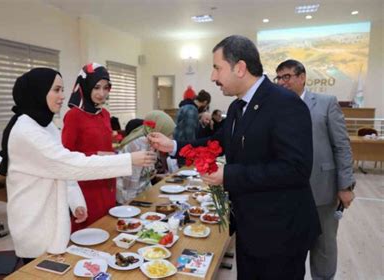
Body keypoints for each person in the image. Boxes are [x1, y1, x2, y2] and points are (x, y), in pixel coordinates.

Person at [149, 35, 321, 279]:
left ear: (240, 68)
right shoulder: (238, 106)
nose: (213, 77)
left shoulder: (284, 104)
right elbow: (218, 142)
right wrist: (174, 145)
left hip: (280, 231)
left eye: (217, 68)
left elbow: (296, 168)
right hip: (250, 226)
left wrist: (228, 175)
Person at [0, 68, 156, 263]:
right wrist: (128, 159)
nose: (62, 96)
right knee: (39, 270)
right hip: (35, 221)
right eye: (56, 90)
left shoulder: (44, 125)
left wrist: (76, 202)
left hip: (51, 216)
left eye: (62, 90)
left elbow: (62, 167)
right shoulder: (26, 131)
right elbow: (70, 163)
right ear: (39, 91)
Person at [276, 59, 356, 280]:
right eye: (279, 78)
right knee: (291, 246)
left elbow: (341, 145)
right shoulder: (276, 107)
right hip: (288, 191)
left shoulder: (326, 103)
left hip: (322, 189)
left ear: (302, 77)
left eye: (287, 77)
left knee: (324, 245)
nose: (282, 82)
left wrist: (346, 185)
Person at [61, 63, 120, 232]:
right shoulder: (74, 116)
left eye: (106, 88)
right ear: (85, 87)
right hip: (86, 184)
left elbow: (105, 146)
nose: (102, 93)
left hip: (106, 180)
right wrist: (99, 155)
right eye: (96, 88)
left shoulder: (105, 114)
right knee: (88, 232)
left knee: (107, 228)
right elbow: (65, 155)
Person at [116, 110, 175, 203]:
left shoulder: (151, 142)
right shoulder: (139, 145)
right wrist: (132, 207)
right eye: (169, 134)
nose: (171, 138)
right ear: (159, 131)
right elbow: (130, 184)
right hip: (128, 198)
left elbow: (144, 174)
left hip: (142, 194)